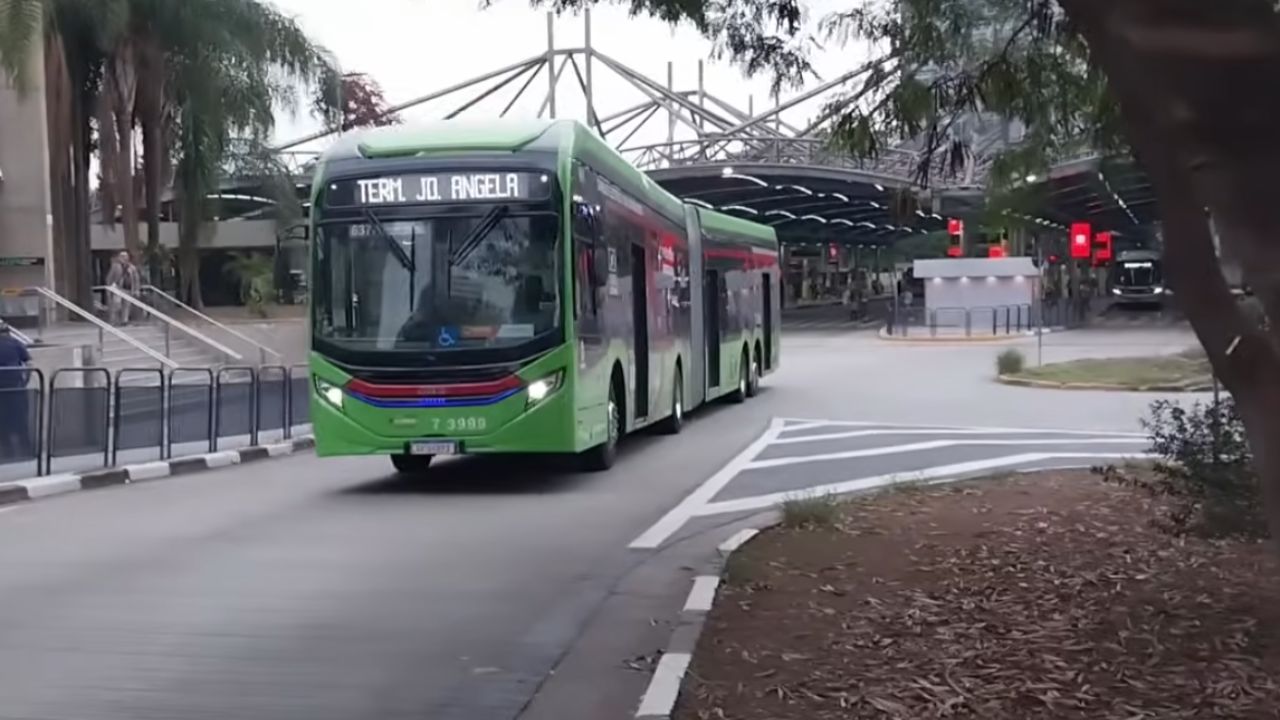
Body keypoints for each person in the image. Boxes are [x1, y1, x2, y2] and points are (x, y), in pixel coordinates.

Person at [0, 321, 32, 461]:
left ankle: (7, 454)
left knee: (2, 423)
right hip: (16, 388)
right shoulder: (15, 343)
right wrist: (25, 381)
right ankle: (27, 453)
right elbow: (29, 364)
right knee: (21, 422)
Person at [105, 251, 141, 325]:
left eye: (126, 256)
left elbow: (136, 279)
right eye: (122, 256)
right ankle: (113, 320)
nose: (124, 258)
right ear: (119, 257)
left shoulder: (132, 267)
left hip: (128, 289)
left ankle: (124, 321)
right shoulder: (115, 266)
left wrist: (137, 289)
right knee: (116, 304)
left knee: (126, 305)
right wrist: (110, 286)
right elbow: (109, 277)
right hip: (118, 288)